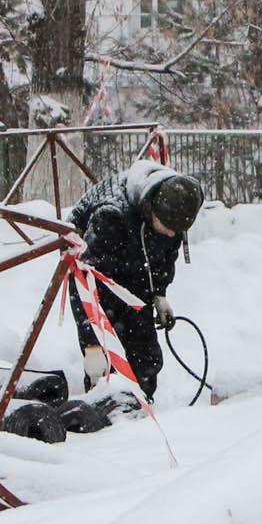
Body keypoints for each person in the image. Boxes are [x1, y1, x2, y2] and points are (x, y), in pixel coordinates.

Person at [67, 158, 204, 398]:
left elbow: (166, 255)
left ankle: (142, 402)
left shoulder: (174, 206)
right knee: (108, 362)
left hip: (136, 271)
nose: (172, 233)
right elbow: (82, 283)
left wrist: (159, 293)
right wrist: (92, 343)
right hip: (98, 277)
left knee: (146, 357)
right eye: (168, 226)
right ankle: (103, 411)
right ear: (151, 209)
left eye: (178, 229)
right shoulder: (110, 216)